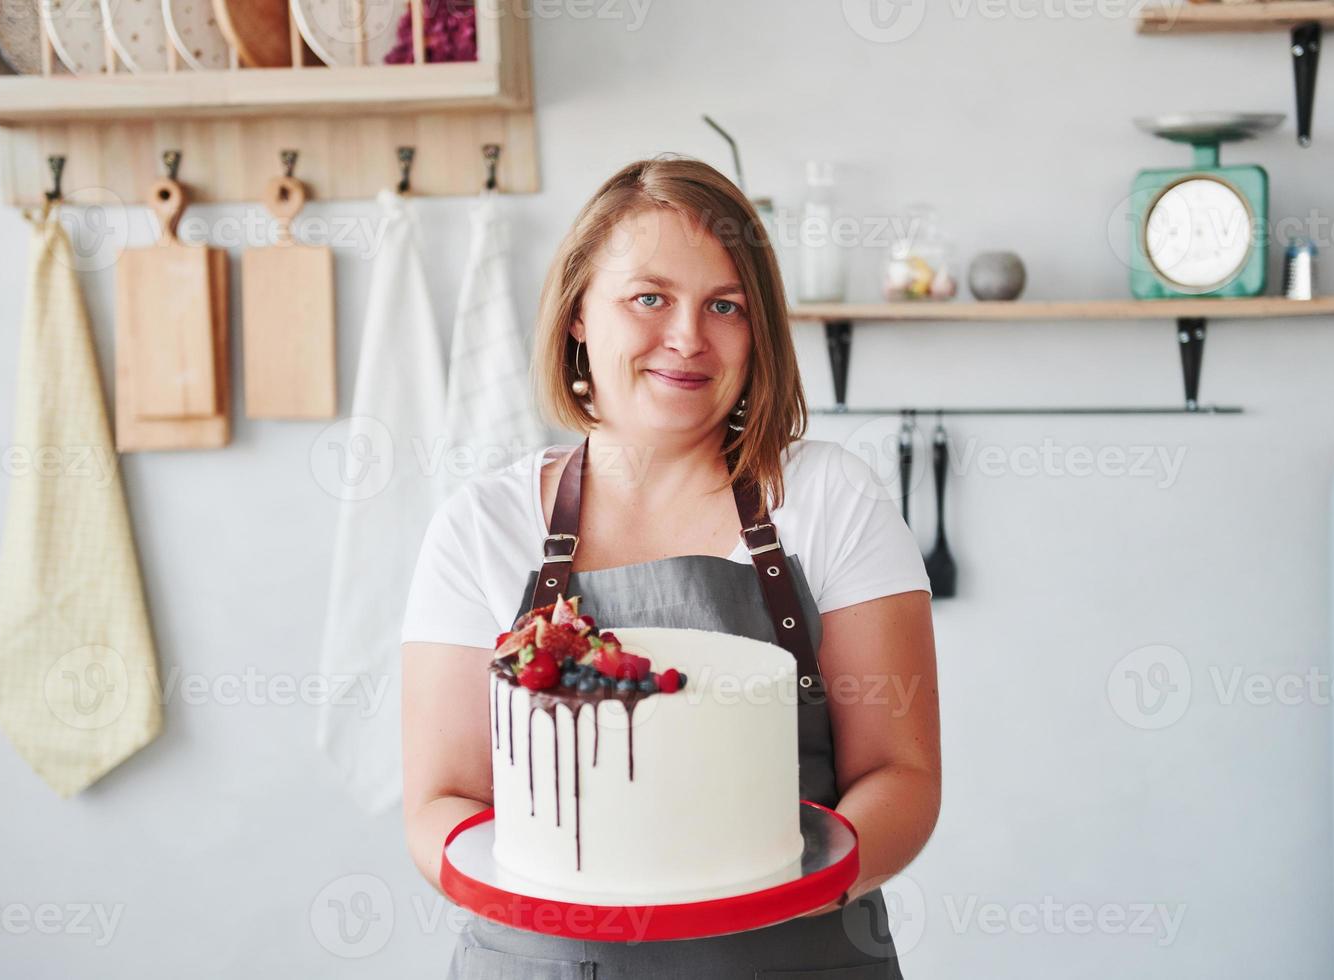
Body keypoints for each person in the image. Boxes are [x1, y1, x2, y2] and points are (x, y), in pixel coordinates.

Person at [400, 155, 941, 978]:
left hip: (794, 956)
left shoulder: (832, 497)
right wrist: (561, 902)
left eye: (724, 305)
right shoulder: (483, 525)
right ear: (579, 312)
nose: (688, 337)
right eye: (648, 297)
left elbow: (900, 777)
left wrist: (771, 894)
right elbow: (441, 802)